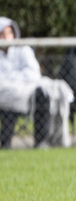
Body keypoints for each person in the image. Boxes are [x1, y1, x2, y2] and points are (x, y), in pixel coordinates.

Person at [0, 16, 51, 148]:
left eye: (9, 33)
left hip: (27, 91)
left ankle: (41, 143)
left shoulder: (24, 50)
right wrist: (15, 81)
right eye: (2, 34)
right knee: (9, 94)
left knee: (42, 93)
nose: (6, 38)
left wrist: (11, 79)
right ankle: (5, 143)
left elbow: (33, 74)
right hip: (5, 95)